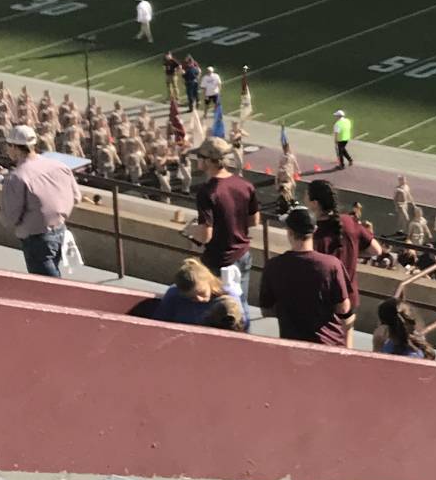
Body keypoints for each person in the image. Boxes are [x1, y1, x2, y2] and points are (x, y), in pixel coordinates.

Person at [259, 206, 352, 346]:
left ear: (289, 232)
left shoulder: (273, 266)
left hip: (292, 345)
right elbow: (343, 308)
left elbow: (266, 310)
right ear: (315, 230)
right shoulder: (332, 265)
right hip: (329, 345)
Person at [0, 122, 78, 277]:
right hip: (61, 231)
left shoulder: (17, 177)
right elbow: (76, 196)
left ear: (15, 148)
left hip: (37, 239)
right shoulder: (59, 165)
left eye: (8, 145)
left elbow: (10, 216)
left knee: (49, 287)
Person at [187, 138, 259, 302]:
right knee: (240, 305)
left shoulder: (207, 192)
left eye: (199, 156)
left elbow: (206, 235)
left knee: (218, 308)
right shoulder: (245, 185)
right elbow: (254, 220)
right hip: (242, 252)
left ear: (209, 161)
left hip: (218, 258)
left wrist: (190, 231)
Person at [310, 179, 375, 319]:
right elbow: (376, 250)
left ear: (315, 203)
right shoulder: (349, 221)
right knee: (346, 339)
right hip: (350, 298)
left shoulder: (316, 236)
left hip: (327, 303)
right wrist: (354, 252)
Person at [148, 257, 228, 326]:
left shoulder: (226, 297)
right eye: (191, 298)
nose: (199, 299)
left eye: (202, 293)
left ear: (209, 282)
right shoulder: (174, 294)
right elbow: (159, 321)